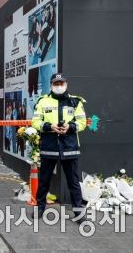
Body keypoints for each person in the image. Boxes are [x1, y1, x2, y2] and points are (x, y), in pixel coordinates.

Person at [31, 73, 87, 222]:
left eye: (61, 83)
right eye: (56, 84)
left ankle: (79, 213)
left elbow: (82, 123)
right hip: (49, 146)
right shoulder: (42, 101)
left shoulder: (76, 102)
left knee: (73, 182)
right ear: (51, 85)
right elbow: (35, 122)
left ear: (66, 84)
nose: (59, 86)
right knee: (44, 181)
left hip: (69, 147)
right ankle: (39, 208)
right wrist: (50, 127)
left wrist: (70, 127)